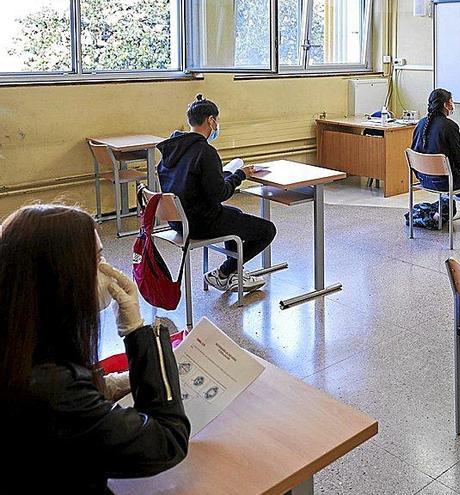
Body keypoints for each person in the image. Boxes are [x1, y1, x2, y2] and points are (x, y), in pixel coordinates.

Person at [0, 204, 190, 493]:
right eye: (98, 258)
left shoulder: (17, 338)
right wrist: (138, 331)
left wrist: (117, 382)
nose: (107, 269)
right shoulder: (53, 391)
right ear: (61, 276)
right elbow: (167, 440)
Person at [158, 94, 277, 292]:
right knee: (267, 230)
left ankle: (233, 275)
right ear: (211, 120)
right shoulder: (204, 151)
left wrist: (222, 176)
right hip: (200, 223)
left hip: (178, 220)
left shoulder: (172, 148)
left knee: (235, 215)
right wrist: (240, 174)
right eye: (217, 120)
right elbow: (220, 194)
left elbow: (191, 183)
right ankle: (224, 273)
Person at [410, 88, 460, 229]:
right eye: (451, 101)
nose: (452, 104)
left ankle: (445, 206)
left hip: (423, 179)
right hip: (444, 181)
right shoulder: (450, 126)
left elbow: (414, 150)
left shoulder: (421, 124)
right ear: (446, 105)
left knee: (453, 178)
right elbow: (459, 161)